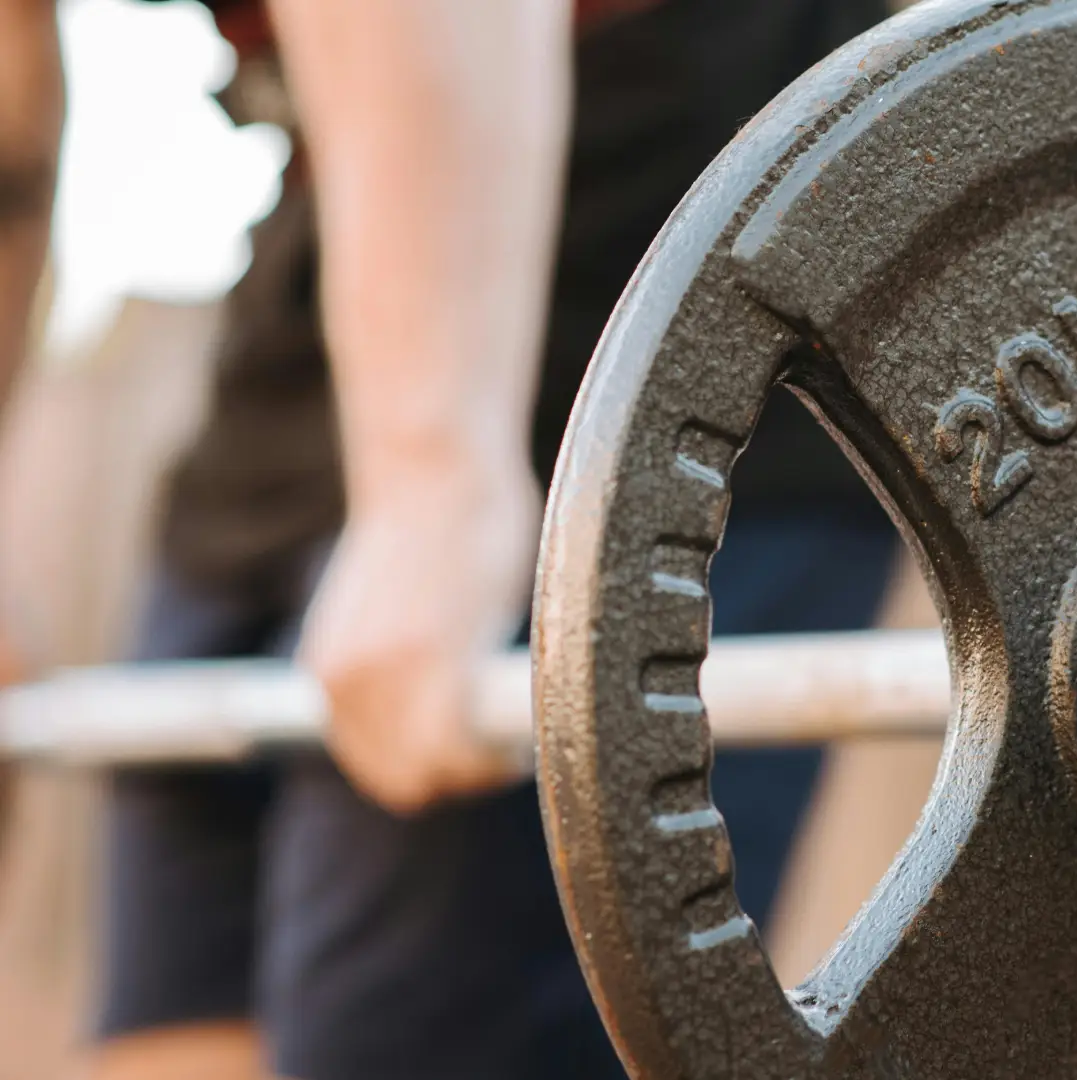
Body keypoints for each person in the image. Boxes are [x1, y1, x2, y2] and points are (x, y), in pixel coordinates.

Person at [0, 1, 896, 1077]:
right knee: (174, 1039)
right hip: (329, 235)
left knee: (392, 1040)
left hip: (666, 252)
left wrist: (436, 483)